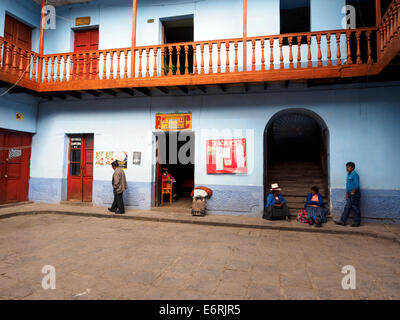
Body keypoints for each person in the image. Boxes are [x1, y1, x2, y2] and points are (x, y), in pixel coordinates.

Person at [335, 162, 361, 227]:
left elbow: (357, 185)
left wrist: (353, 191)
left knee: (355, 207)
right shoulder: (348, 175)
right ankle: (342, 221)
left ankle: (357, 222)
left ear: (352, 168)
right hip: (349, 194)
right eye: (346, 167)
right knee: (347, 207)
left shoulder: (355, 175)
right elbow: (348, 185)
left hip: (354, 194)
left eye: (348, 167)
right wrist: (347, 193)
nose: (347, 168)